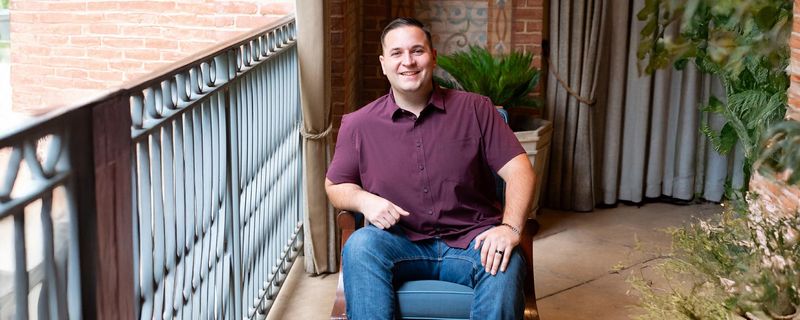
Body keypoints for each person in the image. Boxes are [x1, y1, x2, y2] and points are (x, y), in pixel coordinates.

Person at [325, 17, 536, 320]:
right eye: (397, 53)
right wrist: (363, 200)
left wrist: (510, 229)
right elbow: (335, 186)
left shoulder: (476, 109)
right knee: (360, 245)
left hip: (472, 240)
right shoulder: (359, 124)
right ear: (383, 64)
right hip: (397, 242)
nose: (408, 62)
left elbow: (520, 171)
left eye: (417, 51)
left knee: (504, 259)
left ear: (433, 57)